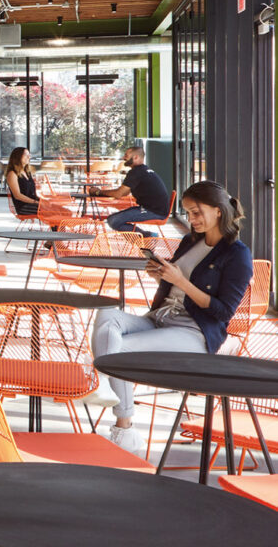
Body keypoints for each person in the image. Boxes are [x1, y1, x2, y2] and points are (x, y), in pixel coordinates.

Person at [88, 181, 252, 454]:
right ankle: (105, 381)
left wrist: (180, 281)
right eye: (188, 213)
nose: (192, 219)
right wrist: (160, 275)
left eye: (197, 212)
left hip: (195, 332)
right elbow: (175, 282)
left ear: (219, 211)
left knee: (119, 352)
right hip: (161, 318)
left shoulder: (237, 254)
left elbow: (224, 312)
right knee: (107, 314)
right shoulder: (191, 240)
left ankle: (124, 426)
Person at [88, 146, 171, 237]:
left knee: (114, 220)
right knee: (114, 219)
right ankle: (145, 238)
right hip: (154, 209)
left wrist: (98, 192)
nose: (124, 158)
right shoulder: (143, 170)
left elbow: (119, 194)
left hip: (154, 212)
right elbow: (125, 192)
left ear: (135, 157)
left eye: (126, 155)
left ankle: (147, 237)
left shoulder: (136, 172)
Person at [4, 147, 43, 216]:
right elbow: (17, 196)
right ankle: (58, 226)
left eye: (29, 154)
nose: (29, 157)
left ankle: (58, 226)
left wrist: (41, 201)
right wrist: (36, 202)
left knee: (60, 209)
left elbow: (31, 192)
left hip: (33, 203)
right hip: (23, 207)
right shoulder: (12, 174)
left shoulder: (27, 172)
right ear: (17, 156)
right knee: (52, 210)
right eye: (25, 154)